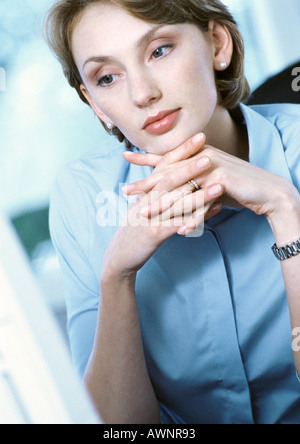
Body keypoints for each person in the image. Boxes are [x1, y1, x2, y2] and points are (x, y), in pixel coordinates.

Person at [45, 0, 300, 424]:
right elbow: (121, 431)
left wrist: (285, 208)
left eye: (159, 50)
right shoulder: (82, 195)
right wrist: (117, 276)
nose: (142, 93)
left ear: (217, 44)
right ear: (95, 104)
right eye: (108, 77)